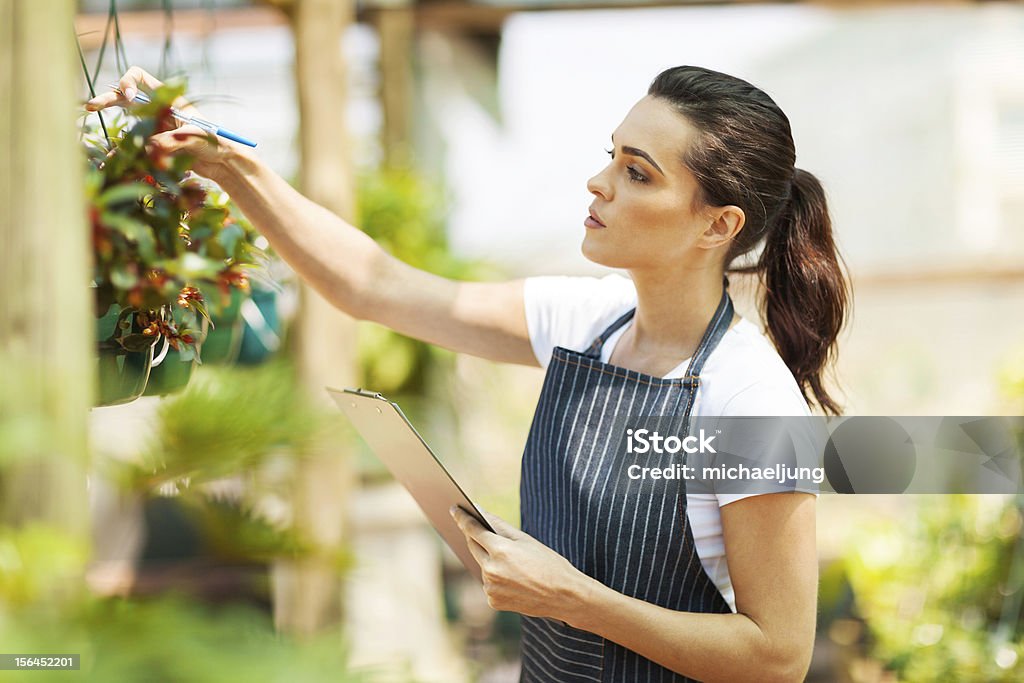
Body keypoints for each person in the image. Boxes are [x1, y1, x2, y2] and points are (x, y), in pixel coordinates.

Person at [87, 64, 848, 682]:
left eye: (638, 173)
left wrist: (573, 599)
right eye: (610, 155)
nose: (599, 182)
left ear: (717, 225)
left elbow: (776, 656)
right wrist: (227, 160)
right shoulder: (586, 321)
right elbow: (372, 286)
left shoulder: (748, 395)